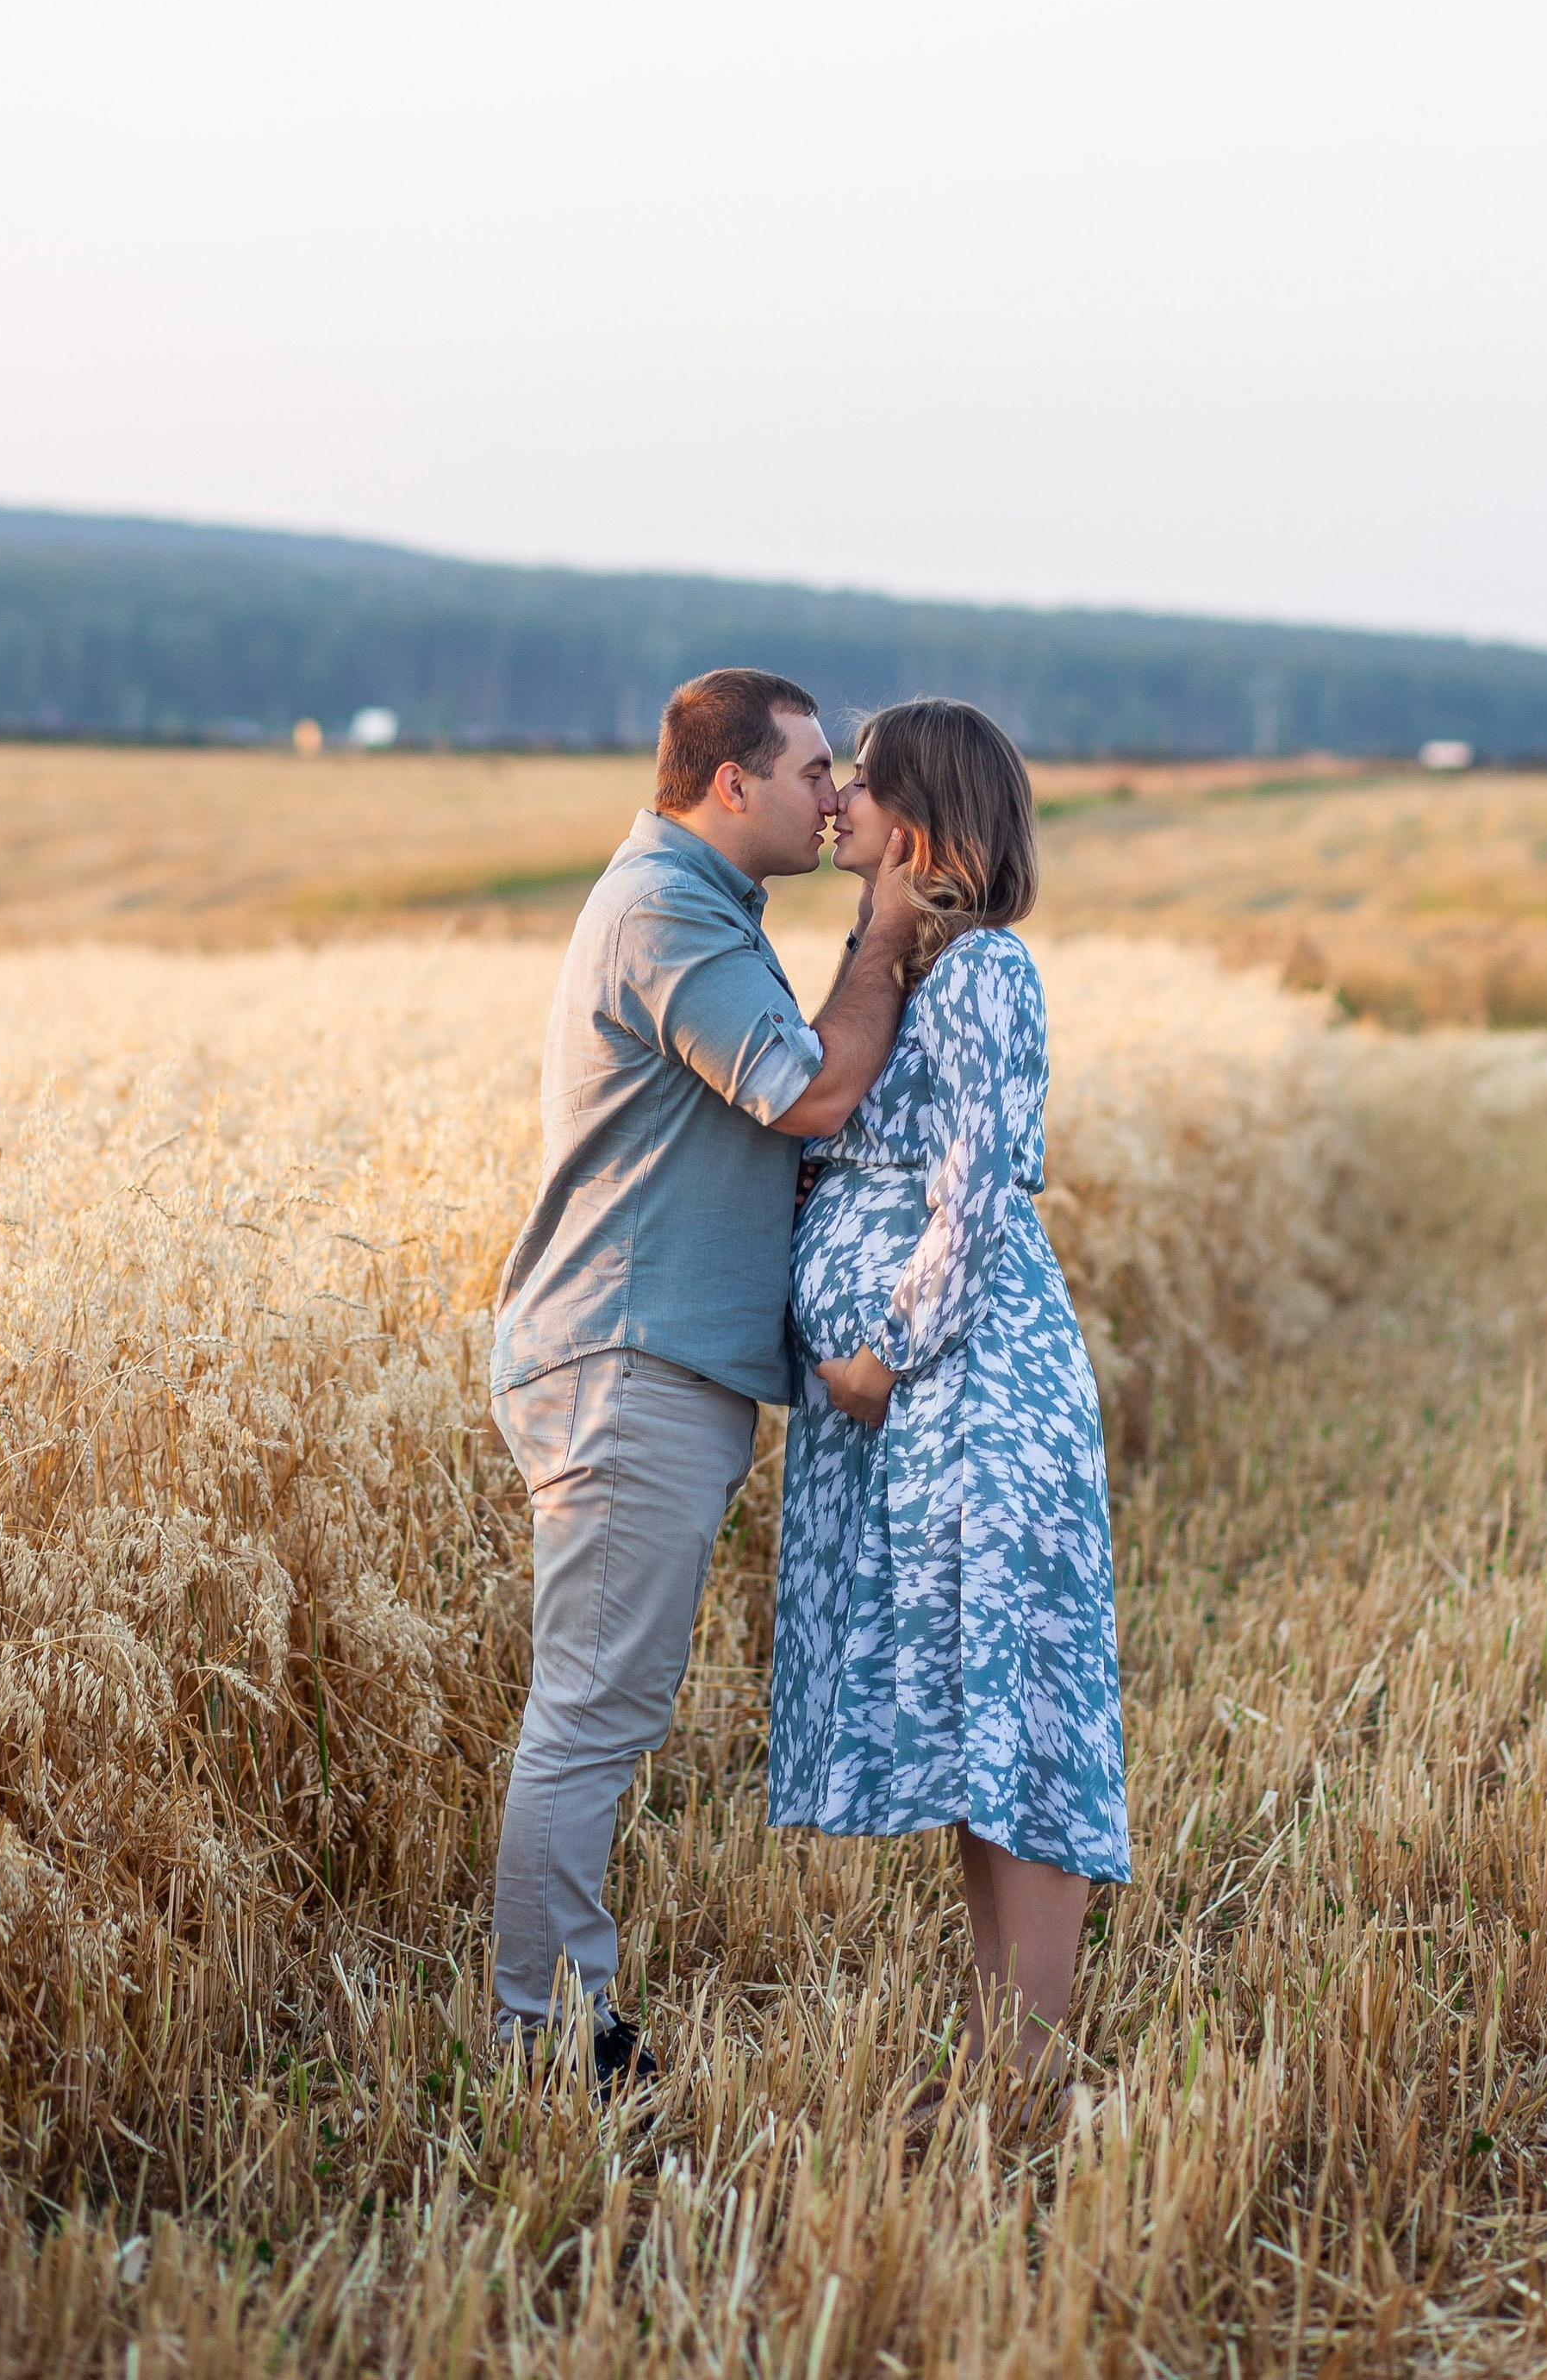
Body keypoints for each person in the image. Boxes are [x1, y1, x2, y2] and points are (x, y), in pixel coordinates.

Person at [487, 667, 917, 2090]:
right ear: (730, 783)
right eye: (810, 773)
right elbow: (807, 1093)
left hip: (650, 1361)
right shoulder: (667, 907)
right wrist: (885, 933)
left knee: (603, 1706)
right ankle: (548, 2049)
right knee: (593, 1714)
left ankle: (561, 2026)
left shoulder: (693, 904)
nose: (833, 797)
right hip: (628, 1363)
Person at [768, 698, 1130, 2108]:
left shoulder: (985, 974)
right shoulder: (897, 975)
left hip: (975, 1394)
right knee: (970, 1730)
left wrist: (881, 1353)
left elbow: (979, 1190)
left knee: (1016, 1717)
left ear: (923, 816)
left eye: (864, 784)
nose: (839, 802)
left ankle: (1029, 2067)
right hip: (916, 1414)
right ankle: (998, 2056)